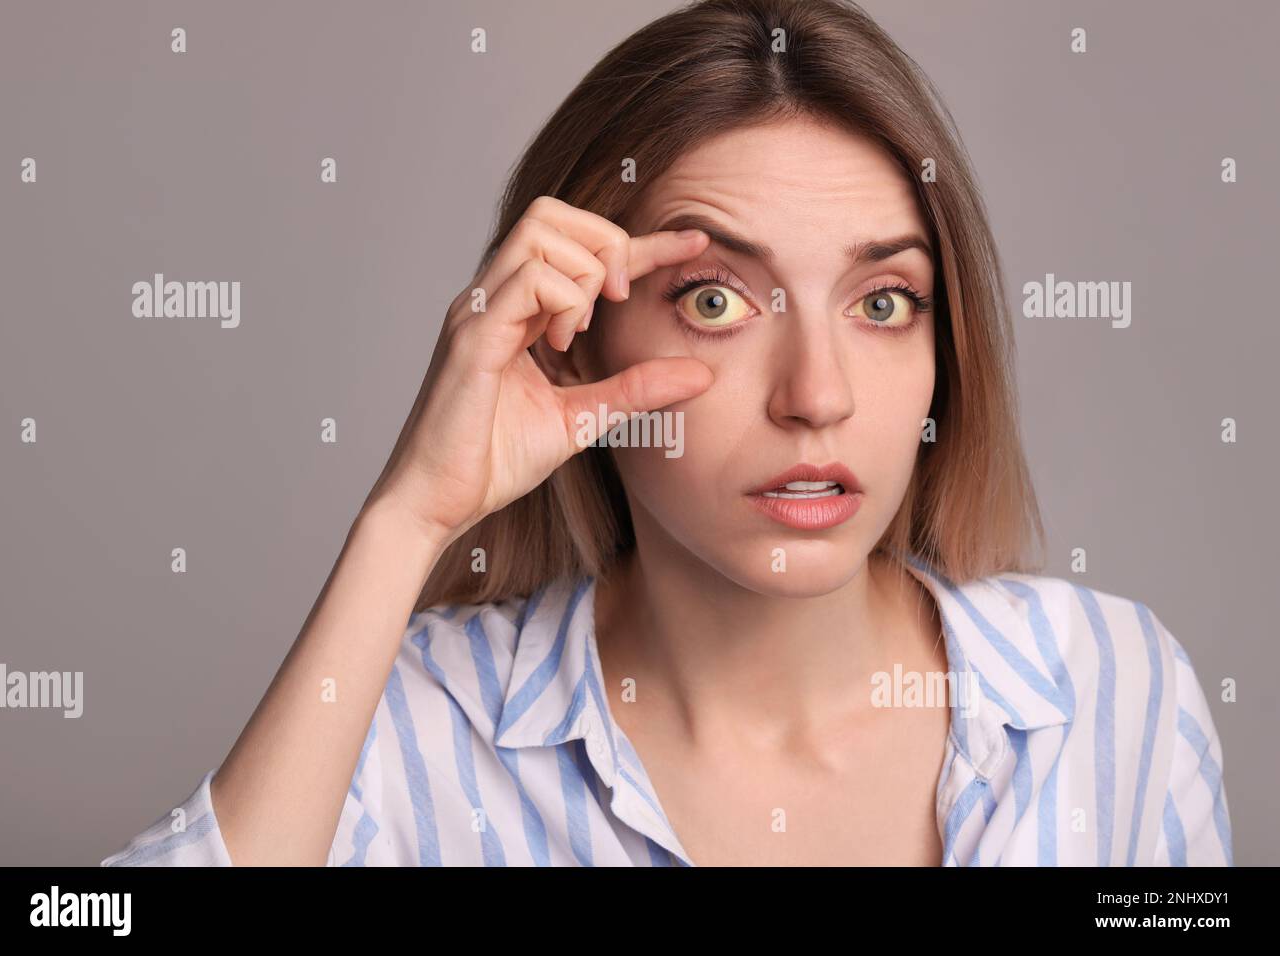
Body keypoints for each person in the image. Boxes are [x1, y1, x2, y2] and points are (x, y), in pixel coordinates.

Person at [101, 0, 1231, 867]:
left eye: (882, 301)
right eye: (715, 299)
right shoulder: (413, 728)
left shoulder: (1110, 694)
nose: (816, 395)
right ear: (574, 337)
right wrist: (408, 519)